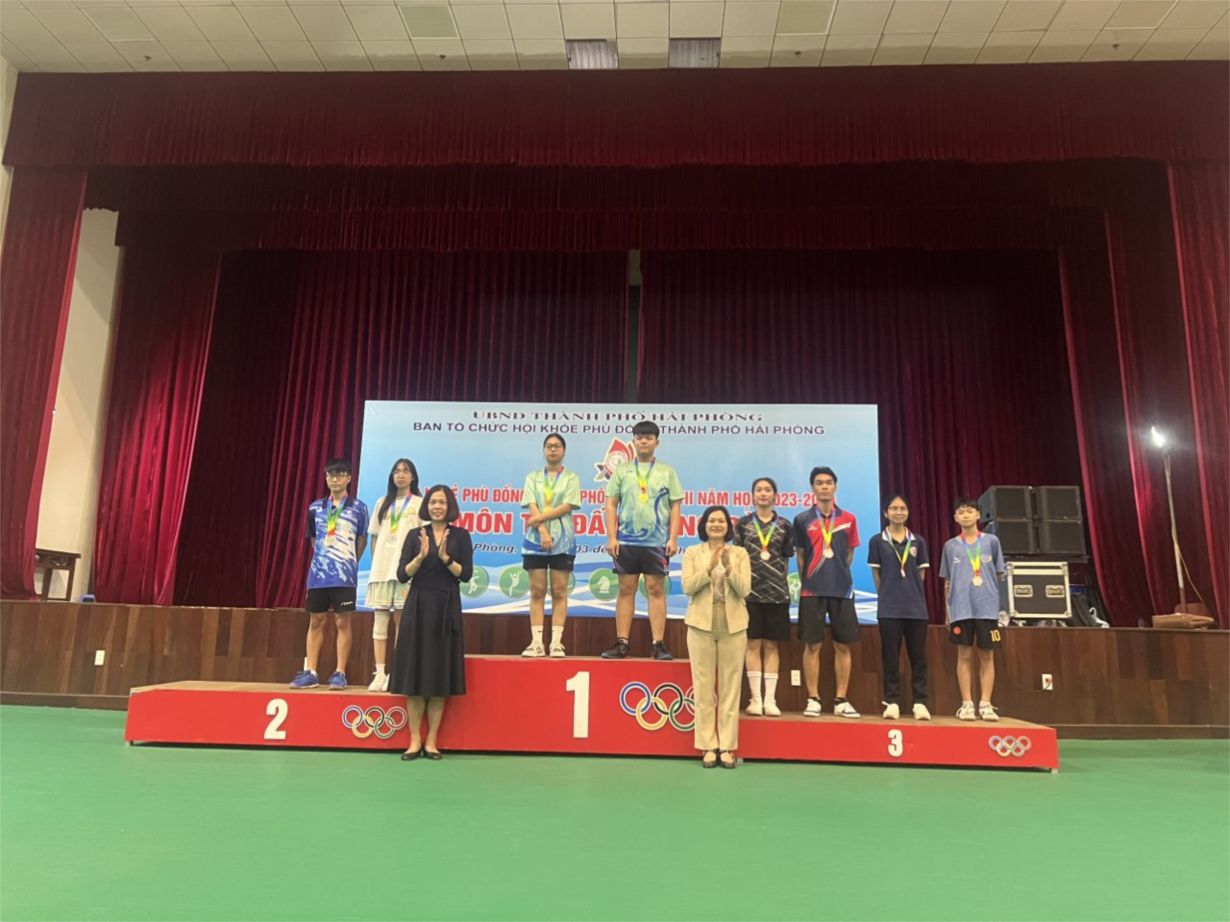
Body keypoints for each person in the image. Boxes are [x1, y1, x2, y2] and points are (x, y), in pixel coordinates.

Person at [390, 485, 474, 760]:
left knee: (438, 678)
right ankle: (415, 740)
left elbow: (466, 575)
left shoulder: (460, 536)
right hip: (418, 605)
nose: (437, 506)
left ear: (450, 507)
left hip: (446, 606)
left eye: (442, 502)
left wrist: (446, 558)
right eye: (433, 502)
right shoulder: (415, 535)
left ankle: (432, 742)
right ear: (427, 506)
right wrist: (420, 557)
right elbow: (402, 575)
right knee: (415, 676)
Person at [601, 420, 684, 660]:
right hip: (626, 541)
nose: (643, 441)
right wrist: (611, 537)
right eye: (639, 437)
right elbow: (611, 504)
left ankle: (658, 645)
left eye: (648, 437)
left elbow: (675, 507)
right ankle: (622, 643)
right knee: (625, 590)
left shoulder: (667, 471)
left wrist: (673, 538)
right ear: (634, 441)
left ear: (657, 442)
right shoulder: (622, 470)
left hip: (656, 542)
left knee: (656, 591)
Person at [290, 458, 370, 690]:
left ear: (349, 478)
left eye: (340, 474)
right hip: (318, 575)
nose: (335, 479)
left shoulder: (359, 508)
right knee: (316, 621)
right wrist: (325, 561)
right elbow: (314, 540)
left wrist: (348, 562)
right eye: (330, 475)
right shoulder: (315, 508)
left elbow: (362, 540)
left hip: (345, 576)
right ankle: (311, 672)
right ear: (326, 478)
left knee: (343, 621)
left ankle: (340, 673)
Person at [682, 506, 751, 769]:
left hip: (733, 625)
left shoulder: (740, 553)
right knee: (703, 688)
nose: (716, 524)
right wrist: (710, 567)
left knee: (730, 689)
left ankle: (727, 747)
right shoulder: (692, 553)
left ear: (728, 526)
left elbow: (745, 591)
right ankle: (708, 746)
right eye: (712, 520)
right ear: (704, 525)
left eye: (721, 521)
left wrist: (730, 569)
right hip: (701, 624)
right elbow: (687, 587)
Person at [793, 466, 861, 718]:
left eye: (828, 482)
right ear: (813, 488)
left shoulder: (849, 519)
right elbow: (801, 556)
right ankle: (813, 698)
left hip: (842, 589)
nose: (824, 486)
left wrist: (837, 573)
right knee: (813, 645)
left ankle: (841, 700)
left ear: (835, 487)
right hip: (812, 591)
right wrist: (810, 581)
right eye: (819, 483)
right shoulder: (802, 519)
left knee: (843, 645)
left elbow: (849, 554)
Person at [939, 497, 1007, 721]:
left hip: (987, 608)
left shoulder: (991, 542)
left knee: (987, 654)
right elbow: (947, 581)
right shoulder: (950, 546)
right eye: (961, 512)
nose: (965, 515)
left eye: (970, 511)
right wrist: (948, 612)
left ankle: (986, 704)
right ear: (955, 518)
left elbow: (999, 574)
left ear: (978, 515)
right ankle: (967, 704)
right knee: (964, 654)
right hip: (961, 609)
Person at [732, 477, 795, 716]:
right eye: (758, 490)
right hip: (749, 594)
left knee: (771, 645)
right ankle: (755, 699)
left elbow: (785, 559)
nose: (763, 493)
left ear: (775, 495)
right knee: (752, 644)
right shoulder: (743, 524)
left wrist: (777, 582)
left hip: (777, 595)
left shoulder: (785, 525)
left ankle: (770, 700)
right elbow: (737, 557)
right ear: (753, 496)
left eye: (767, 490)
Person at [867, 494, 931, 720]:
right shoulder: (877, 541)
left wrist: (909, 592)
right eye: (893, 508)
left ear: (908, 512)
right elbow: (876, 574)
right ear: (886, 513)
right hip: (889, 609)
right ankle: (892, 701)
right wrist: (887, 595)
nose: (898, 512)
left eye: (902, 508)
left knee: (918, 658)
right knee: (890, 657)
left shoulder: (918, 541)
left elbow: (921, 574)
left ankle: (920, 703)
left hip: (916, 609)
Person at [521, 434, 582, 658]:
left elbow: (567, 506)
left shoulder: (571, 477)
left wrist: (538, 519)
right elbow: (531, 504)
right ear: (544, 450)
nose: (553, 450)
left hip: (563, 541)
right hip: (535, 540)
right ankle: (536, 643)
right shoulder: (533, 477)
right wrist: (542, 529)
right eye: (549, 446)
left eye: (557, 446)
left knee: (559, 591)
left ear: (564, 451)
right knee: (537, 591)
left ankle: (556, 643)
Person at [364, 459, 423, 690]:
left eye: (405, 471)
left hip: (405, 571)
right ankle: (379, 673)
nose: (401, 475)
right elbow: (374, 537)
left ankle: (396, 672)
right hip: (382, 570)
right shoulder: (382, 503)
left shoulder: (419, 503)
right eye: (396, 471)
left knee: (401, 619)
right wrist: (377, 565)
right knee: (380, 620)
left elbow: (423, 538)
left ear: (413, 476)